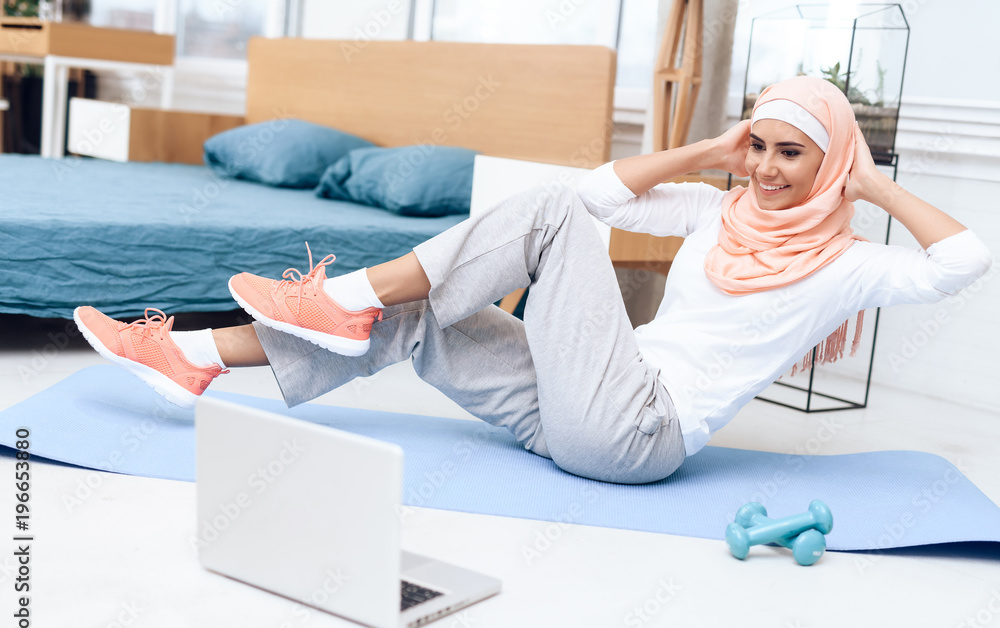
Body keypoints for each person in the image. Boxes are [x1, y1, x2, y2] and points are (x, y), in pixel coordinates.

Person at [73, 77, 993, 485]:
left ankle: (343, 293)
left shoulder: (847, 262)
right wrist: (709, 147)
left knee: (545, 213)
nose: (766, 168)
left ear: (831, 164)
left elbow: (964, 262)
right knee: (427, 307)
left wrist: (871, 184)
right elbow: (603, 194)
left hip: (640, 435)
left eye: (792, 153)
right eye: (758, 145)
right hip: (578, 406)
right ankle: (189, 355)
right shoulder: (722, 212)